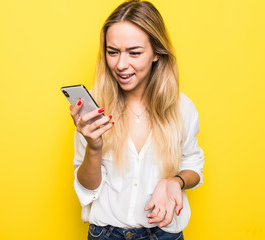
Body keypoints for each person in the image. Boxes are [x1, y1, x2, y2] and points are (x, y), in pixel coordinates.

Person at [68, 1, 204, 239]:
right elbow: (88, 190)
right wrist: (93, 147)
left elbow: (194, 166)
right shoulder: (94, 110)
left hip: (164, 234)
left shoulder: (183, 108)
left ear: (156, 53)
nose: (120, 65)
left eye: (134, 52)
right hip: (106, 234)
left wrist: (176, 181)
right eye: (113, 52)